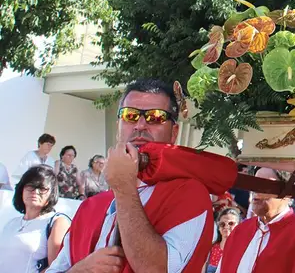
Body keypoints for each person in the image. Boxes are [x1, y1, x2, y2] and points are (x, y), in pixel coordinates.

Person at [48, 78, 215, 273]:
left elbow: (156, 270)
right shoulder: (90, 206)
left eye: (155, 117)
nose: (140, 125)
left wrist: (124, 189)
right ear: (119, 125)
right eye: (130, 115)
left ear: (173, 132)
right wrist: (80, 270)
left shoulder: (189, 195)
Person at [216, 167, 295, 273]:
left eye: (265, 185)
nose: (256, 190)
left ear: (287, 193)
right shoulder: (240, 231)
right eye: (254, 184)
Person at [0, 165, 71, 273]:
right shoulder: (11, 223)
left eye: (42, 188)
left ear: (51, 194)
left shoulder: (57, 222)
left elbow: (56, 268)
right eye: (30, 186)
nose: (35, 192)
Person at [207, 208, 241, 273]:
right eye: (222, 224)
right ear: (218, 227)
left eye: (231, 223)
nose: (226, 226)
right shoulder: (210, 248)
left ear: (238, 226)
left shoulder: (242, 251)